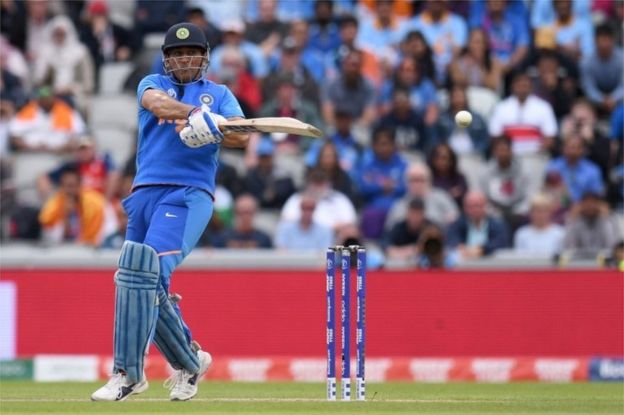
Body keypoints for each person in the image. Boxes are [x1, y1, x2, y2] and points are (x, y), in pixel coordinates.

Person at [91, 22, 249, 402]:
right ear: (165, 59)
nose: (184, 59)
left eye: (191, 52)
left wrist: (217, 128)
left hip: (187, 193)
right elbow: (156, 105)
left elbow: (242, 134)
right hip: (144, 192)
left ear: (204, 57)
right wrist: (195, 114)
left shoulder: (220, 93)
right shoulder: (152, 83)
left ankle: (127, 373)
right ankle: (190, 361)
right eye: (176, 53)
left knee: (149, 271)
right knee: (137, 278)